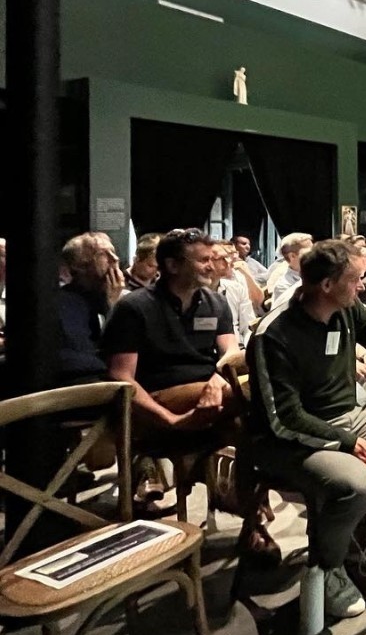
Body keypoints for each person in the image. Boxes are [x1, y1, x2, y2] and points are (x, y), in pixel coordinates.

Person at [248, 240, 366, 621]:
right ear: (327, 285)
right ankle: (326, 567)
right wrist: (352, 444)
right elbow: (285, 419)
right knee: (356, 482)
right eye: (354, 279)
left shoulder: (348, 309)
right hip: (288, 439)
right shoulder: (274, 334)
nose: (362, 286)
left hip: (349, 415)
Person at [102, 229, 276, 556]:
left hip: (213, 398)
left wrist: (219, 381)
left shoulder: (215, 302)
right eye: (203, 260)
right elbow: (122, 378)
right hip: (156, 399)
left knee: (252, 430)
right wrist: (170, 419)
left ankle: (251, 522)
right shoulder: (135, 308)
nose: (212, 265)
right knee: (261, 398)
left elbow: (230, 355)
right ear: (172, 265)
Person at [57, 233, 126, 386]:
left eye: (113, 252)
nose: (115, 259)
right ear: (79, 266)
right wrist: (112, 308)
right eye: (103, 254)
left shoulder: (124, 299)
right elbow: (85, 363)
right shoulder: (65, 303)